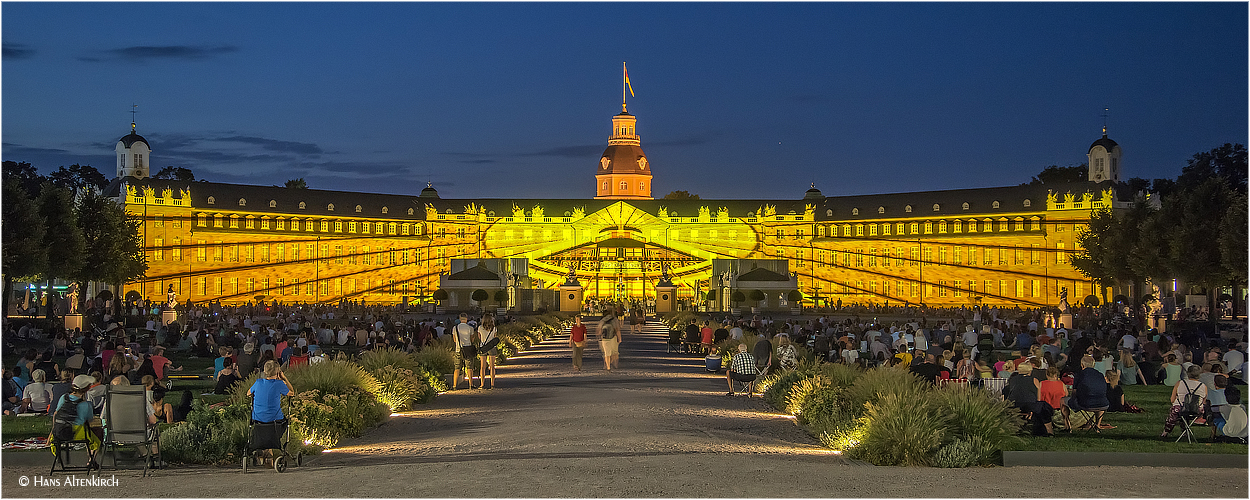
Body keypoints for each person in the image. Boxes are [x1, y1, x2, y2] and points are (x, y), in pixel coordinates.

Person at [49, 375, 102, 463]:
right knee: (96, 435)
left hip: (59, 432)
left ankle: (58, 457)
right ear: (87, 388)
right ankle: (91, 460)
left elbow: (56, 414)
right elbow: (89, 421)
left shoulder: (63, 397)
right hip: (77, 433)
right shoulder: (86, 405)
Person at [1063, 355, 1110, 433]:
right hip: (1103, 404)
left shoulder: (1079, 374)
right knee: (1100, 404)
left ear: (1082, 365)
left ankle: (1067, 427)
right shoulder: (1100, 375)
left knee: (1062, 401)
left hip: (1085, 404)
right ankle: (1097, 426)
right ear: (1093, 365)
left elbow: (1074, 392)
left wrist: (1073, 401)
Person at [1160, 365, 1207, 439]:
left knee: (1178, 411)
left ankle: (1165, 433)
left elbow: (1172, 399)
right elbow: (1204, 402)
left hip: (1180, 409)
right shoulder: (1203, 386)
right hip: (1197, 410)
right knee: (1185, 413)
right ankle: (1185, 432)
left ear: (1188, 373)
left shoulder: (1180, 383)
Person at [451, 313, 478, 389]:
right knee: (469, 367)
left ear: (460, 319)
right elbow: (472, 339)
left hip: (458, 349)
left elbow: (454, 340)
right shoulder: (470, 328)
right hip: (468, 349)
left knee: (457, 368)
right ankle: (470, 384)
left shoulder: (455, 328)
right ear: (466, 319)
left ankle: (454, 385)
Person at [477, 314, 499, 389]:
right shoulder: (494, 328)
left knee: (482, 367)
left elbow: (479, 337)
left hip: (483, 347)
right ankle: (492, 384)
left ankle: (482, 384)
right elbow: (495, 337)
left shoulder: (480, 328)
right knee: (492, 366)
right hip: (492, 347)